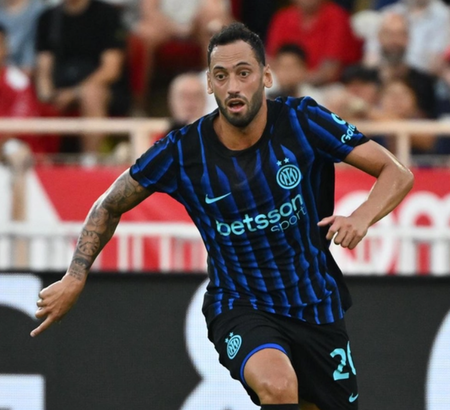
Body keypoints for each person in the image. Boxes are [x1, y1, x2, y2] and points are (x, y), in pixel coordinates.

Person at [30, 23, 414, 410]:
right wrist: (75, 275)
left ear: (266, 77)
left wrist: (362, 216)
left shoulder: (303, 120)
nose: (233, 86)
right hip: (240, 305)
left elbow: (397, 172)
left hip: (315, 303)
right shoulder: (183, 151)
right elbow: (109, 204)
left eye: (244, 73)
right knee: (278, 385)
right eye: (221, 75)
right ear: (209, 85)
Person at [35, 0, 131, 160]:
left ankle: (90, 161)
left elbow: (111, 69)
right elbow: (43, 69)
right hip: (61, 89)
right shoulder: (48, 18)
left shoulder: (107, 14)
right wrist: (48, 96)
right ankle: (42, 160)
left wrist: (74, 92)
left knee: (91, 94)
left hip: (103, 89)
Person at [265, 0, 362, 86]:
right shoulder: (282, 17)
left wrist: (295, 79)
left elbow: (330, 72)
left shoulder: (337, 17)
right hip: (282, 83)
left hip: (326, 87)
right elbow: (271, 60)